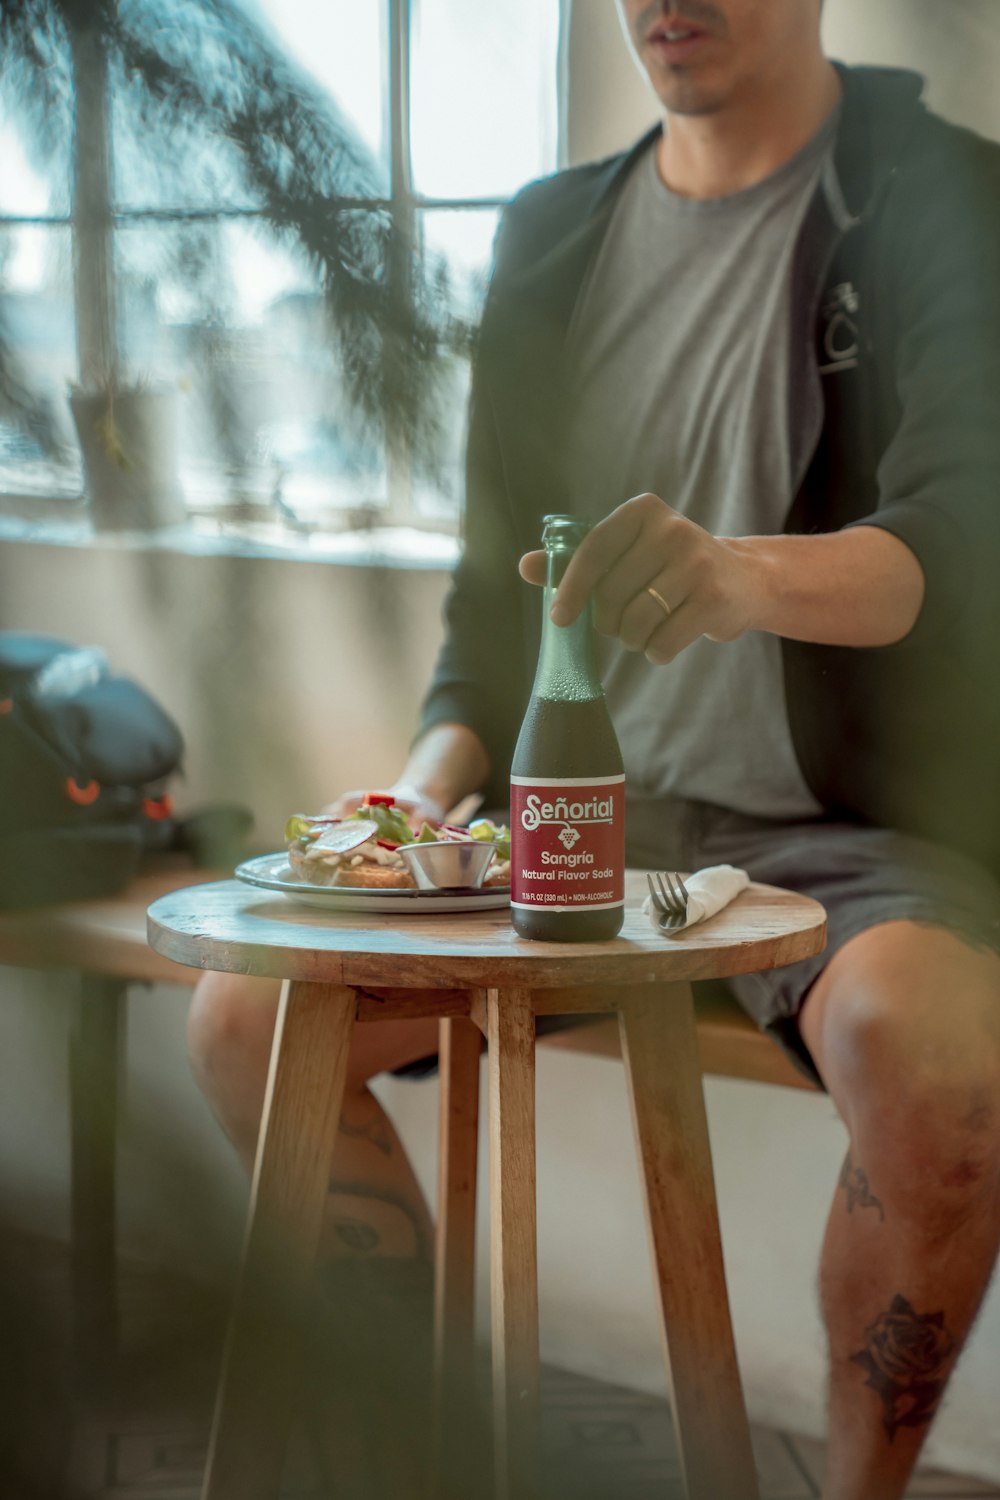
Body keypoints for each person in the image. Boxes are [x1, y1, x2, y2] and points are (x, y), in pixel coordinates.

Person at [187, 3, 1000, 1496]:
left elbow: (953, 543)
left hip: (844, 834)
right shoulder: (550, 235)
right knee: (240, 1024)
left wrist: (743, 572)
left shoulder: (944, 193)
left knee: (940, 1064)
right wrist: (413, 805)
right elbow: (482, 619)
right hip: (578, 833)